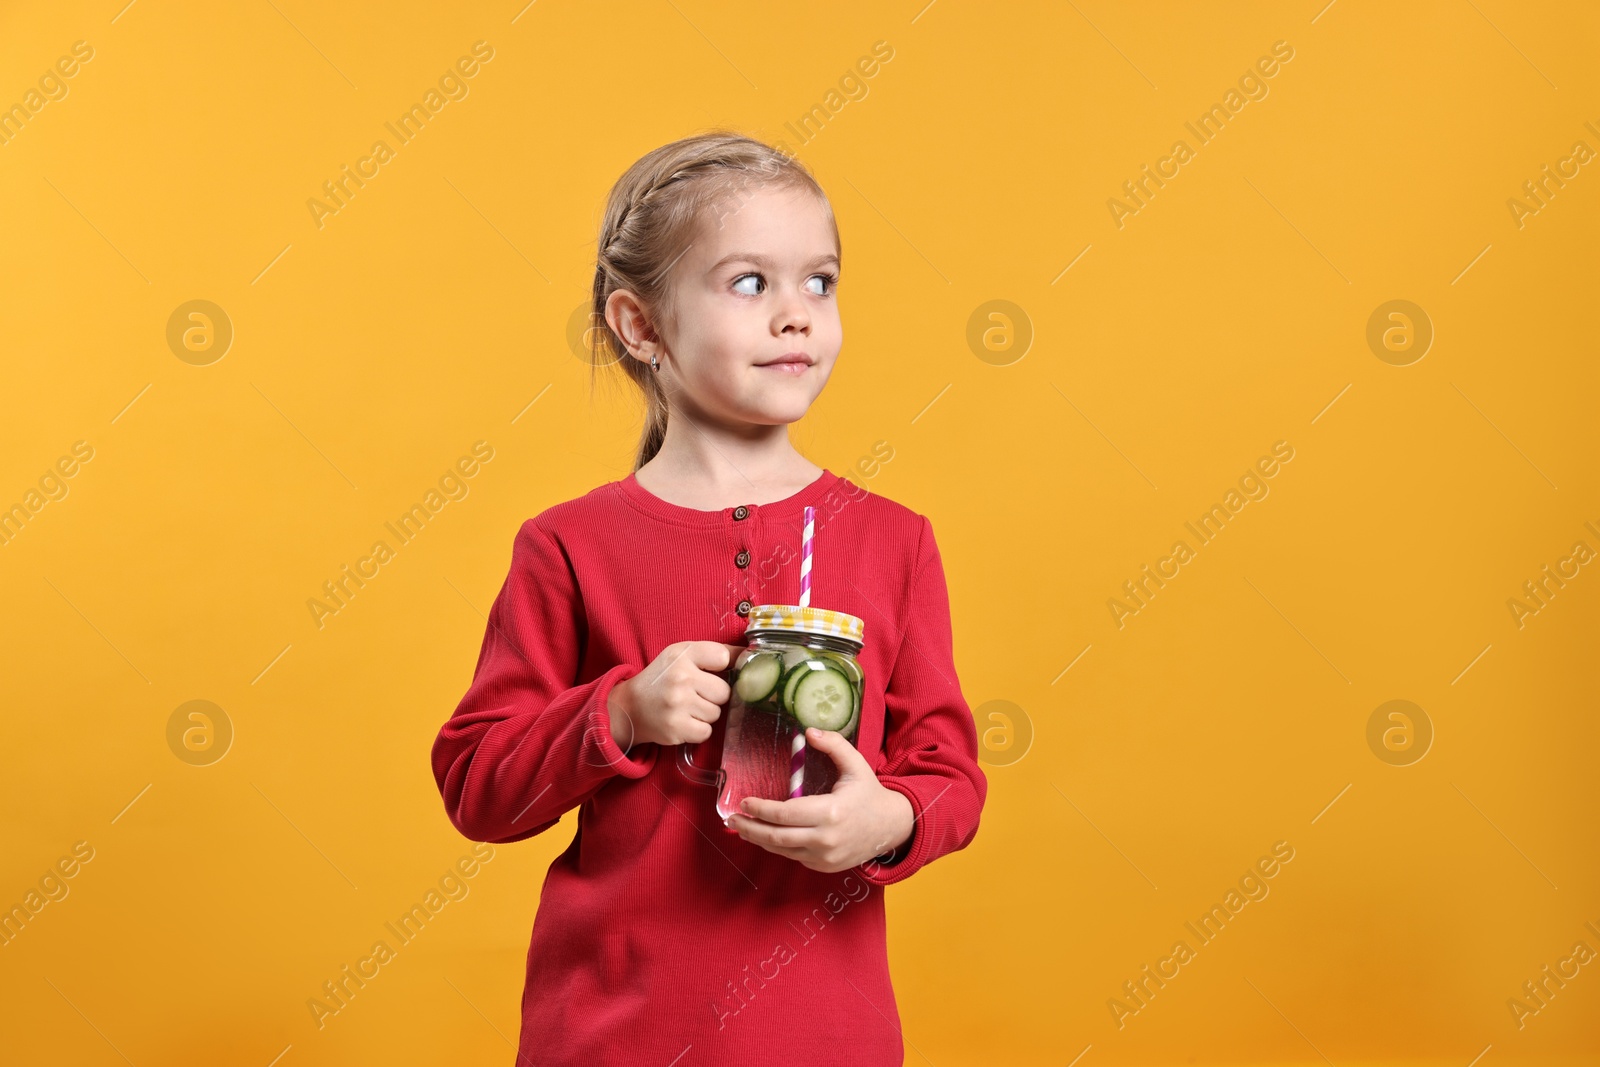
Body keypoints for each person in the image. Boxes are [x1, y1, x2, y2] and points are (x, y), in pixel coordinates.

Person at [430, 130, 986, 1066]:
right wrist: (620, 711)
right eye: (748, 283)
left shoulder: (895, 539)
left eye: (820, 281)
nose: (797, 316)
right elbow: (476, 783)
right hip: (614, 1031)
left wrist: (887, 819)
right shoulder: (568, 544)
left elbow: (951, 773)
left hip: (825, 1035)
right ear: (640, 326)